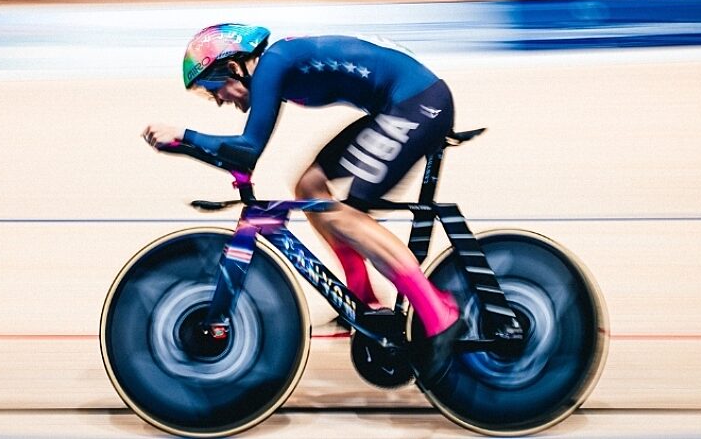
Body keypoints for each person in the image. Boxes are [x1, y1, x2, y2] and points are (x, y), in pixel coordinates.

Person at [142, 23, 468, 382]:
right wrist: (187, 147)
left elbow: (248, 149)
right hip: (403, 103)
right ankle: (363, 299)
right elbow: (241, 156)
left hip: (418, 103)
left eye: (213, 88)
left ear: (233, 67)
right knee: (310, 187)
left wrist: (184, 135)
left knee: (344, 217)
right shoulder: (275, 67)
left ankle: (439, 312)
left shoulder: (271, 65)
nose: (220, 100)